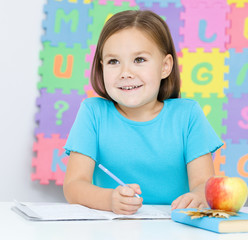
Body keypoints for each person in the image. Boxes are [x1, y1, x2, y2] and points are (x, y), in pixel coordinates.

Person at [63, 10, 223, 215]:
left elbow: (203, 184)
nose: (125, 73)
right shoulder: (92, 113)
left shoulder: (188, 115)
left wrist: (199, 198)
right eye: (113, 61)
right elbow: (74, 186)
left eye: (139, 59)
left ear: (165, 66)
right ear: (102, 68)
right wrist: (110, 200)